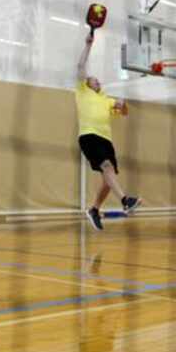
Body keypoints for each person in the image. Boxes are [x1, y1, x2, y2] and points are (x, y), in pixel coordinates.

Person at [76, 31, 141, 231]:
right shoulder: (82, 91)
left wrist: (123, 105)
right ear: (87, 84)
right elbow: (80, 67)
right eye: (94, 80)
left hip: (106, 140)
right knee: (106, 167)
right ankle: (125, 200)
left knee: (108, 177)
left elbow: (124, 113)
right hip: (89, 135)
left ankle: (94, 209)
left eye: (97, 81)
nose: (97, 82)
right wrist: (87, 45)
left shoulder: (106, 99)